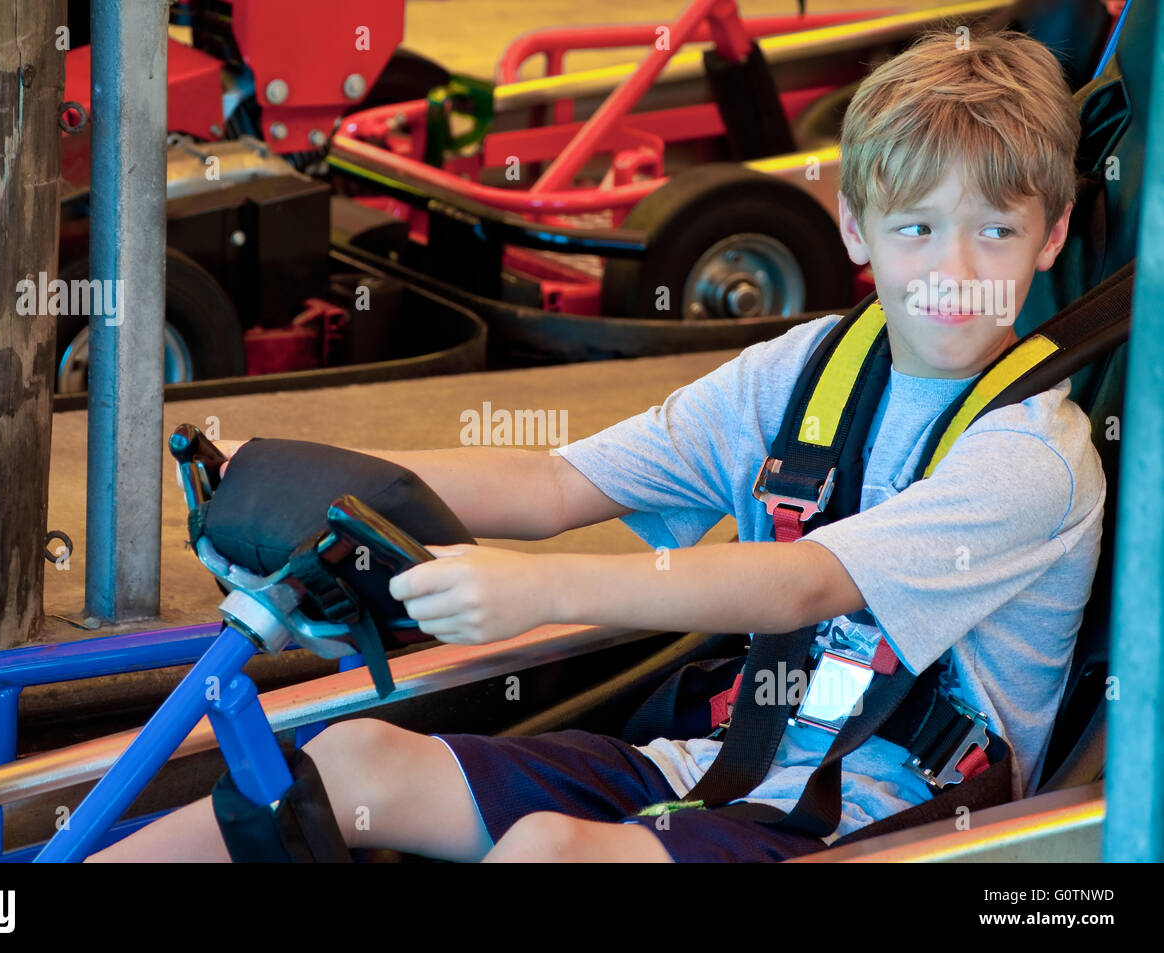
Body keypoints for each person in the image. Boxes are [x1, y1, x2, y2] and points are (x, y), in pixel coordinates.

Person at [85, 28, 1104, 863]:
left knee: (547, 853)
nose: (952, 269)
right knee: (355, 761)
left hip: (887, 817)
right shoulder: (808, 370)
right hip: (717, 763)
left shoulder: (1031, 453)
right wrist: (297, 483)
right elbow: (554, 480)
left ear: (1051, 236)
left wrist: (545, 591)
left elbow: (801, 585)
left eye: (995, 232)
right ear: (853, 228)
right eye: (916, 229)